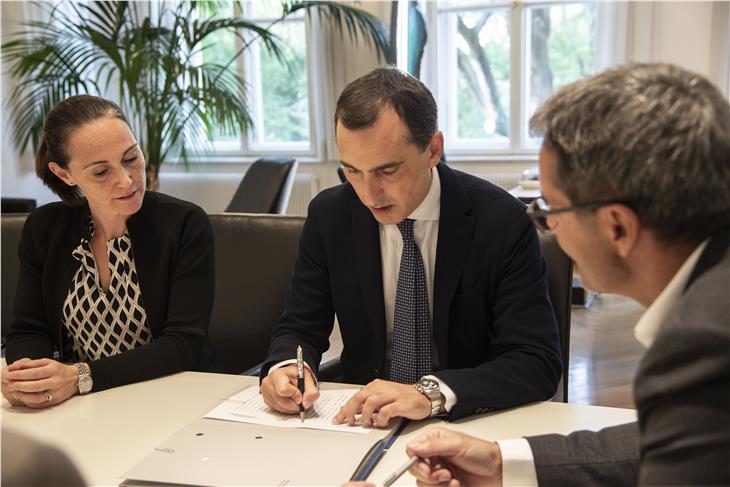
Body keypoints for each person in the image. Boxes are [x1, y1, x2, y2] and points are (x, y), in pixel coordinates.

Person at [348, 62, 730, 486]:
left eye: (552, 209)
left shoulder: (705, 345)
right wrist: (501, 463)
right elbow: (666, 440)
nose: (547, 226)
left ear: (617, 227)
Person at [260, 66, 562, 425]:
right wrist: (286, 369)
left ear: (433, 149)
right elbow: (299, 326)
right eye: (353, 171)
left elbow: (535, 362)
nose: (368, 195)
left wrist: (429, 394)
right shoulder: (331, 215)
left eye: (387, 171)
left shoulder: (502, 222)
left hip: (468, 418)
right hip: (364, 420)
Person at [1, 95, 215, 408]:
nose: (126, 180)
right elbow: (28, 329)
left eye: (131, 157)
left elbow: (182, 344)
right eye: (101, 172)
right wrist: (30, 376)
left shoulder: (184, 223)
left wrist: (79, 377)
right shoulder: (44, 228)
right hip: (83, 407)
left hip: (173, 399)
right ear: (64, 174)